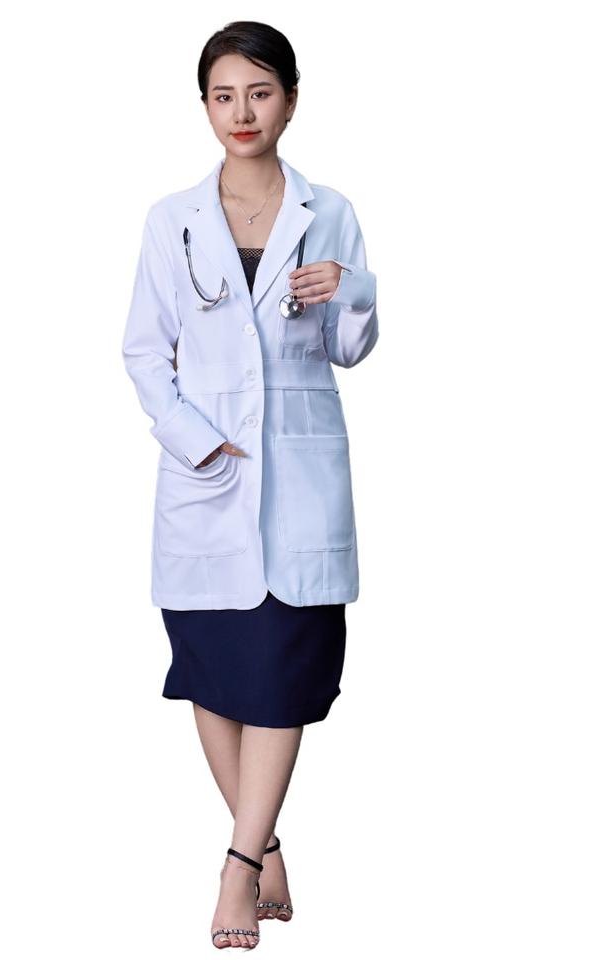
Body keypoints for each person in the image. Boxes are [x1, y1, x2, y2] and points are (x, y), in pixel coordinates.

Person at [121, 20, 379, 950]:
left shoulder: (328, 211)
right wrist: (195, 442)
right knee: (215, 675)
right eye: (225, 95)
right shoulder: (172, 220)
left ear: (291, 101)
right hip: (207, 481)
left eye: (260, 93)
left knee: (282, 676)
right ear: (205, 105)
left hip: (300, 479)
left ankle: (236, 868)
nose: (243, 112)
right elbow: (144, 353)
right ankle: (266, 846)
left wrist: (350, 290)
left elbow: (350, 348)